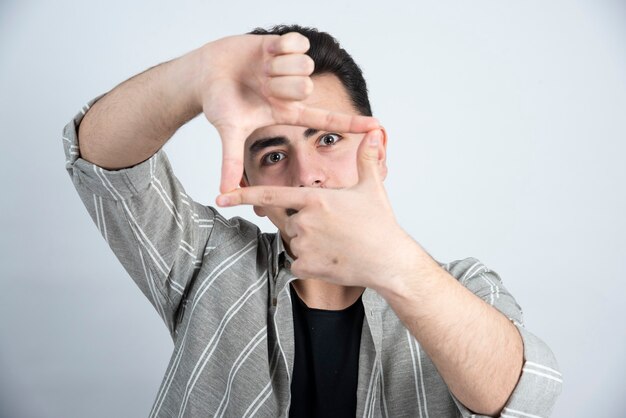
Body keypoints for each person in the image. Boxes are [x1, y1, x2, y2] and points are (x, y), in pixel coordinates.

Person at [62, 24, 562, 417]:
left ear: (377, 153)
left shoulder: (464, 286)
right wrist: (195, 74)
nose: (307, 176)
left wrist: (393, 264)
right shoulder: (209, 261)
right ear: (251, 185)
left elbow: (523, 398)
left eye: (327, 139)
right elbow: (103, 163)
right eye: (274, 154)